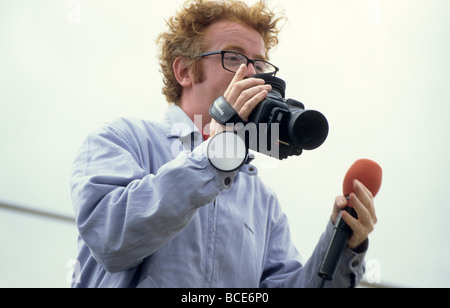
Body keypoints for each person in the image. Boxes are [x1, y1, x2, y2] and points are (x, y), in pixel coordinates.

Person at [70, 0, 377, 288]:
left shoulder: (261, 199)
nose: (252, 75)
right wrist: (214, 158)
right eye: (233, 58)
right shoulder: (122, 139)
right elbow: (110, 239)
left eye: (259, 65)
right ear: (185, 71)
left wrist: (345, 245)